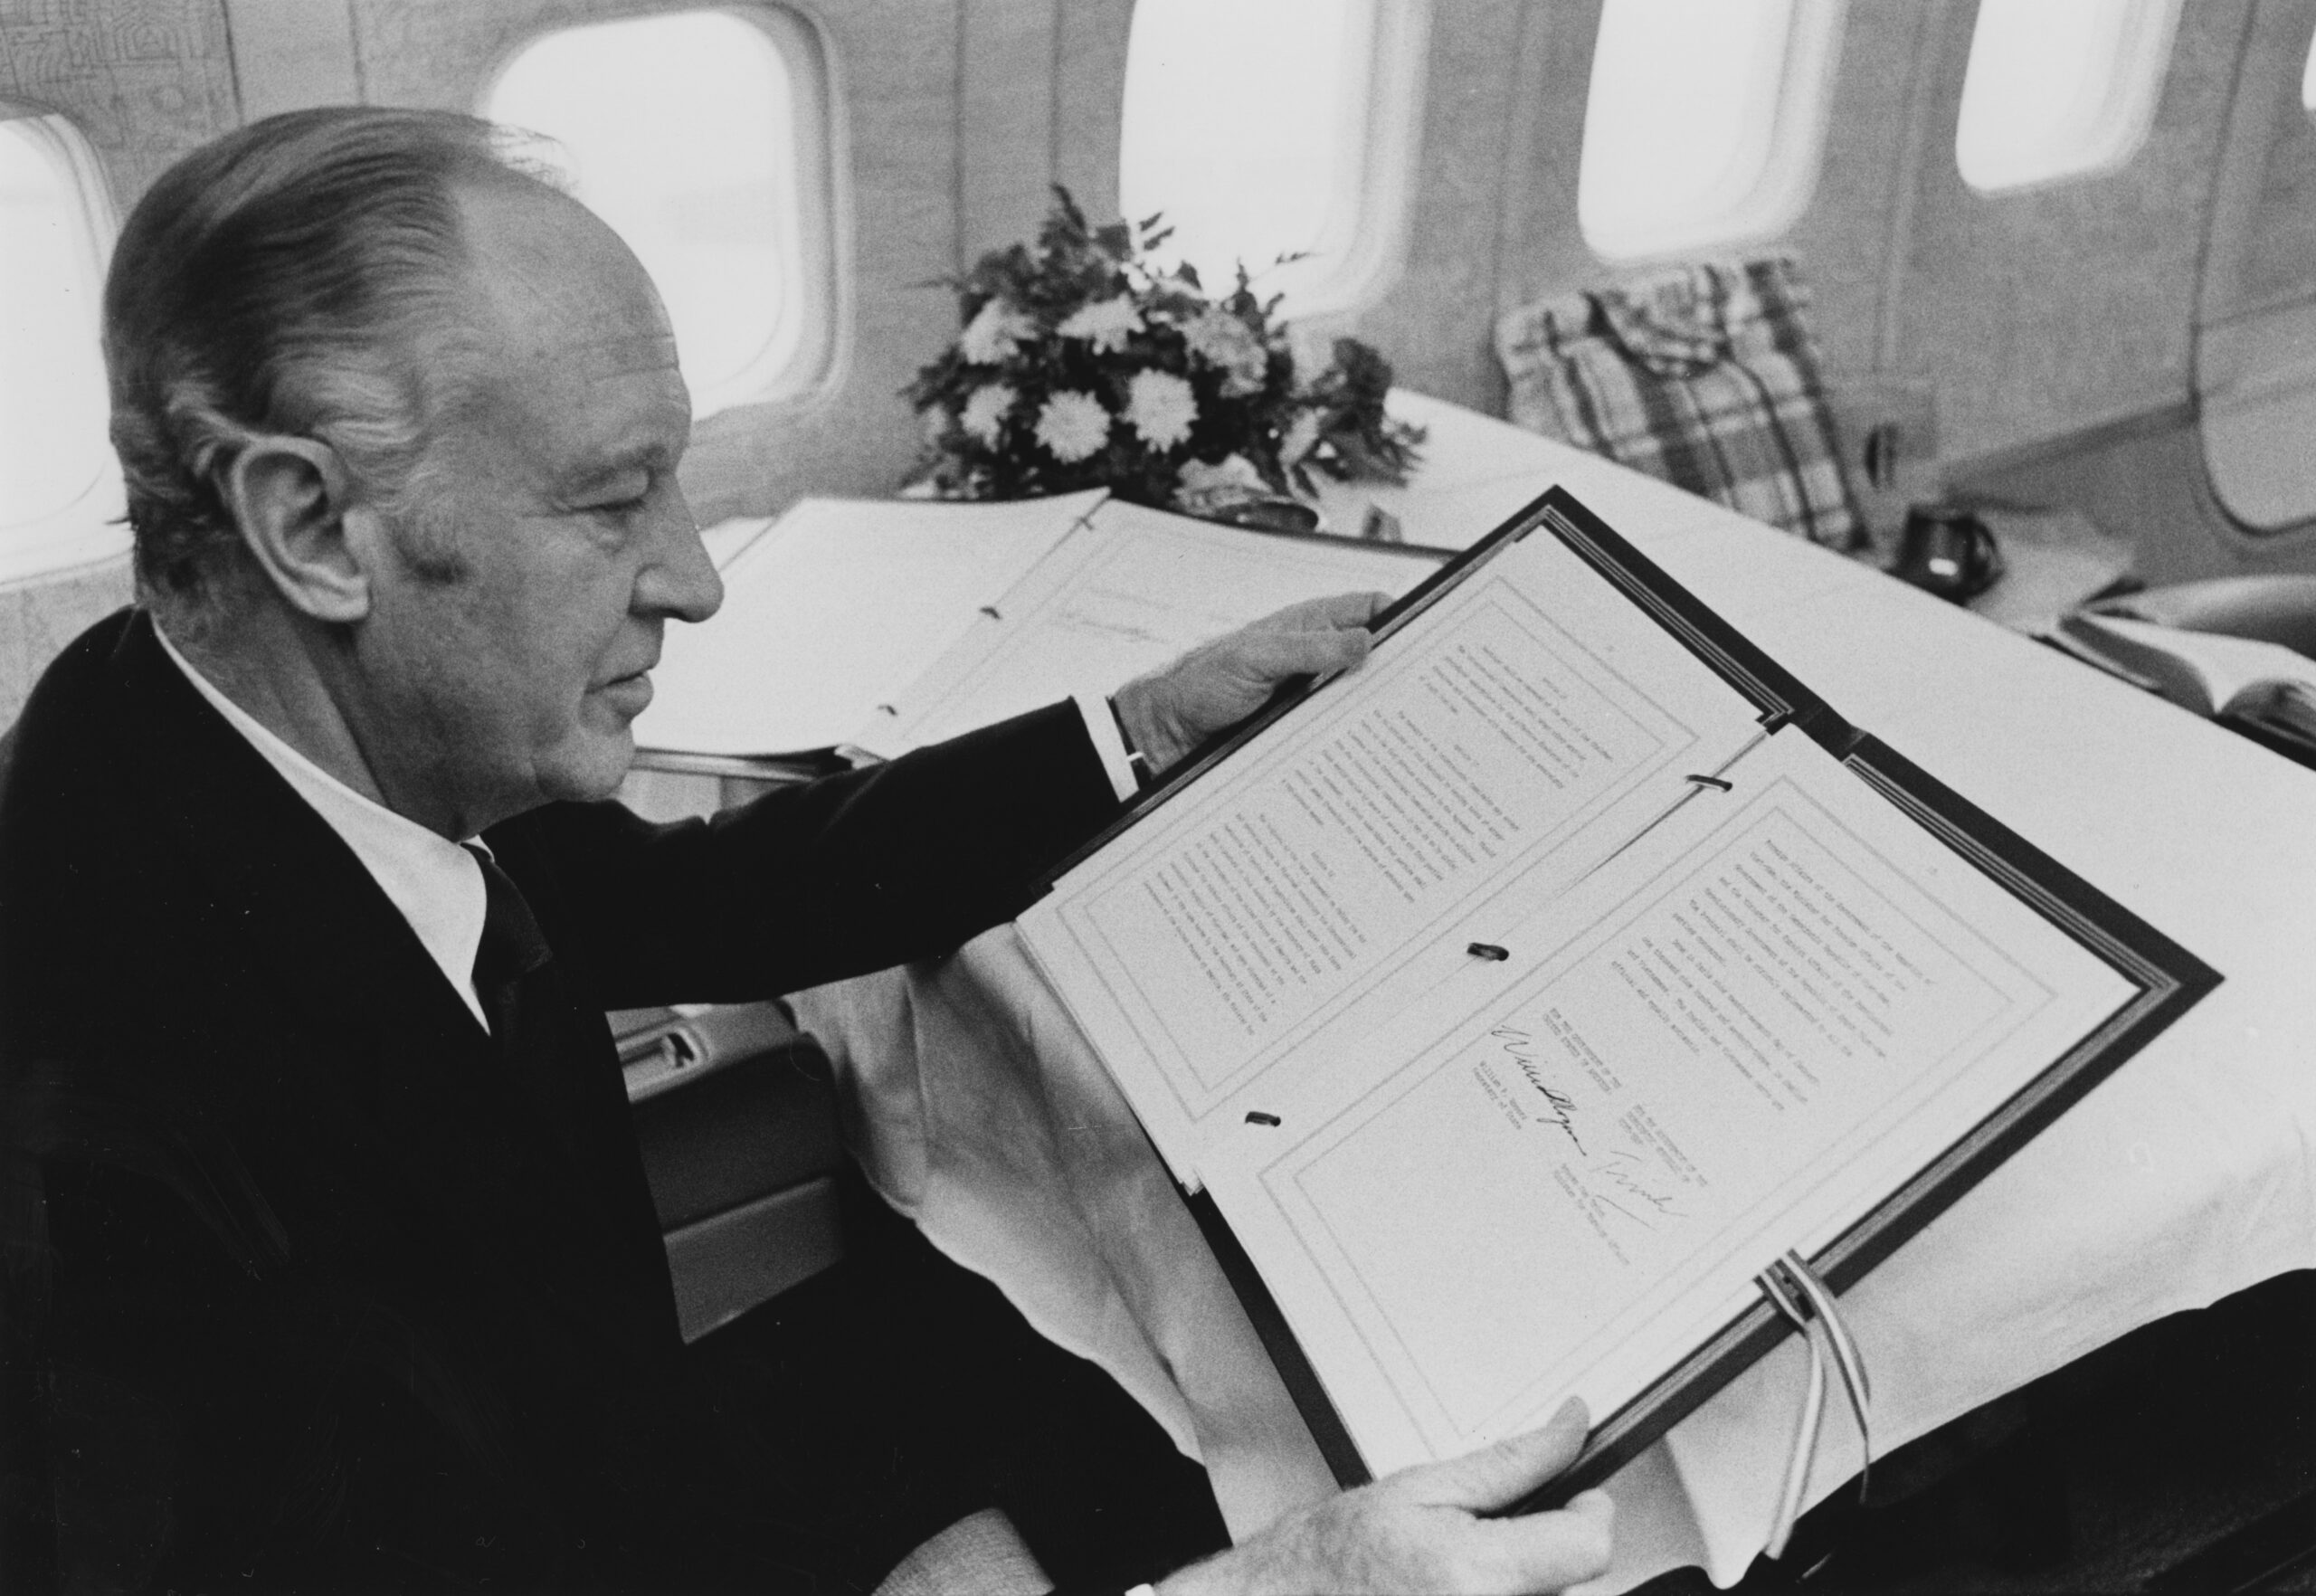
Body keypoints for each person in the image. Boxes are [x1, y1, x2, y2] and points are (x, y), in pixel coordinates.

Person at [0, 107, 1613, 1594]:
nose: (694, 580)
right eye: (612, 501)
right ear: (306, 528)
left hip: (574, 1440)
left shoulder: (194, 719)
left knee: (1021, 1359)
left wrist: (1131, 734)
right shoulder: (93, 1178)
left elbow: (701, 895)